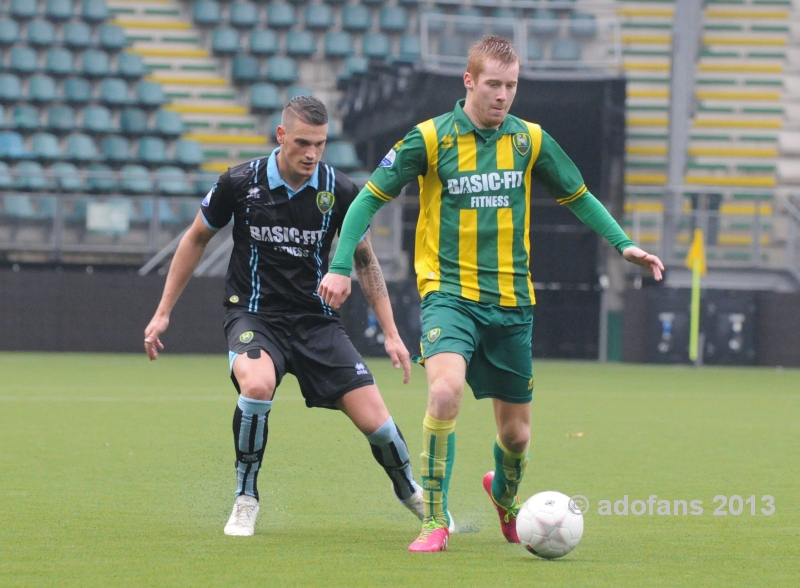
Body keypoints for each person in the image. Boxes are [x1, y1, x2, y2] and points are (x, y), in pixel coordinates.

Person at [318, 37, 665, 552]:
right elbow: (368, 198)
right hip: (449, 294)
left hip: (511, 302)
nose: (503, 95)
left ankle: (505, 496)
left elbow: (579, 195)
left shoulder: (530, 141)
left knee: (517, 436)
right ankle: (434, 519)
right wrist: (341, 266)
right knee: (443, 391)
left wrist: (624, 244)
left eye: (511, 86)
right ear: (469, 81)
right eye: (494, 85)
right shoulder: (429, 139)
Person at [144, 96, 428, 538]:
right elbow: (196, 238)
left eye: (320, 143)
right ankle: (245, 498)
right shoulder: (239, 182)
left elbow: (366, 261)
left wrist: (391, 333)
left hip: (316, 324)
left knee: (379, 424)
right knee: (257, 384)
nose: (311, 153)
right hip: (254, 316)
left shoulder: (341, 190)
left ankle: (412, 493)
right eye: (302, 143)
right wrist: (163, 312)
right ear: (281, 137)